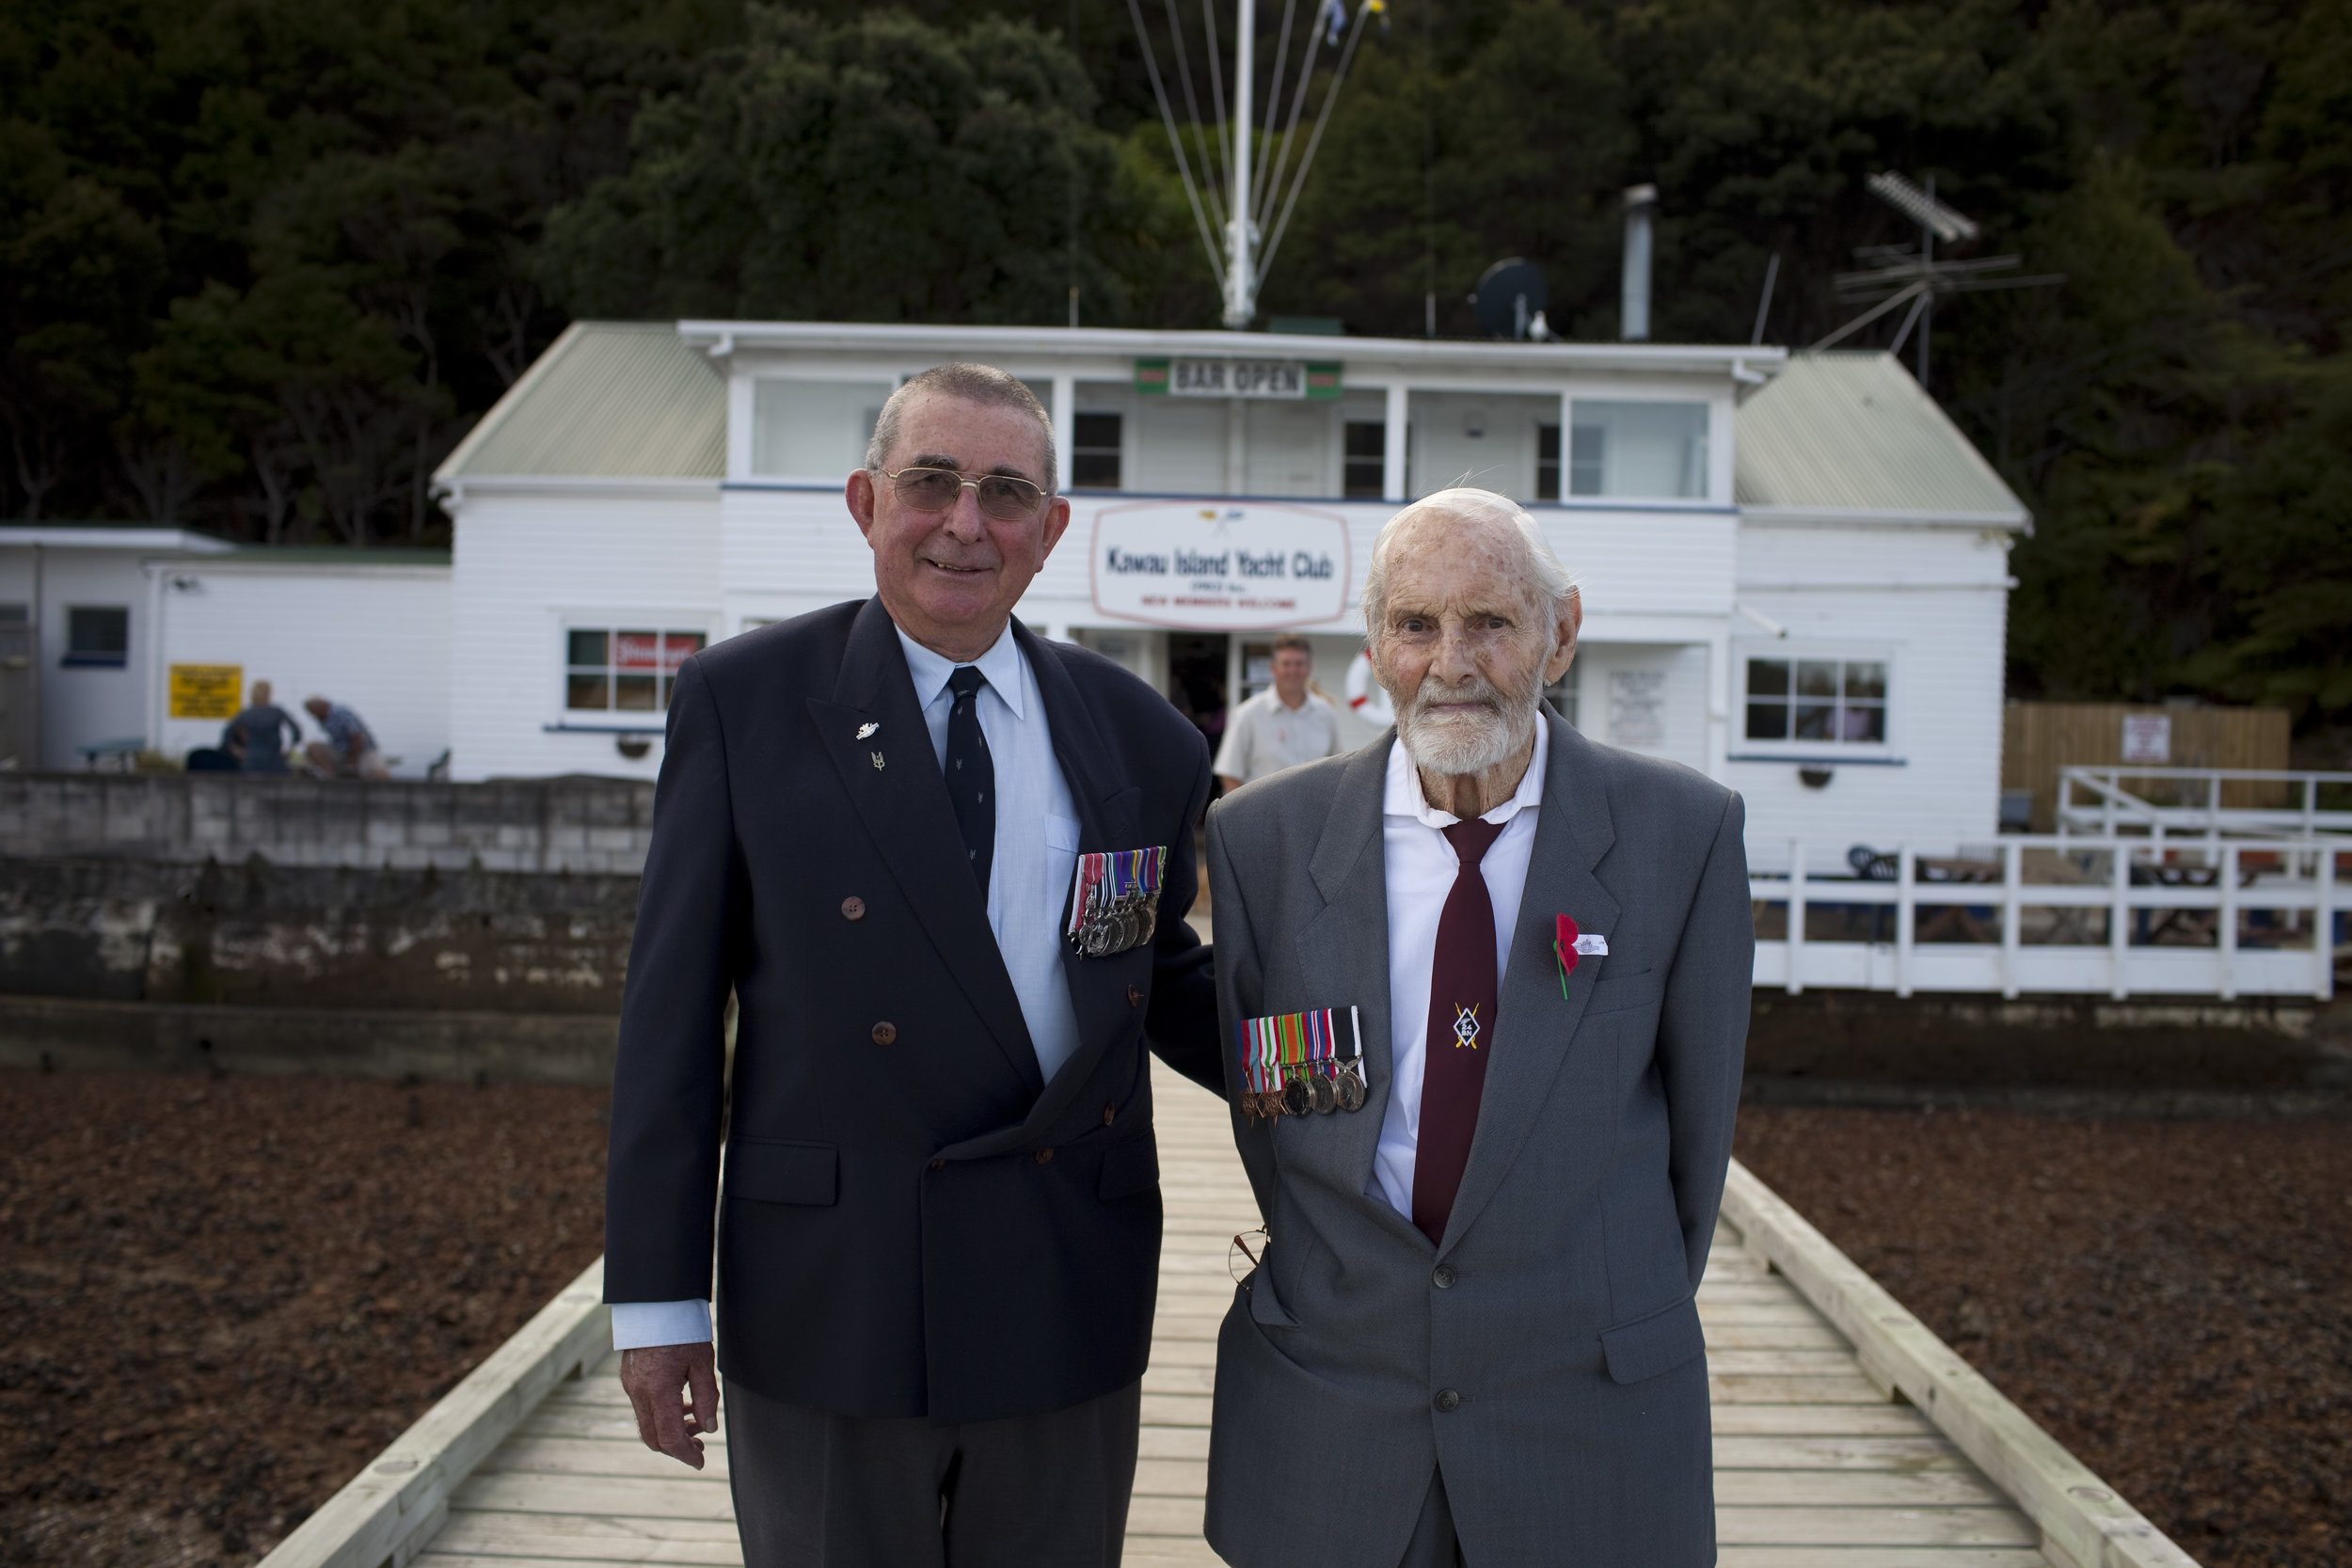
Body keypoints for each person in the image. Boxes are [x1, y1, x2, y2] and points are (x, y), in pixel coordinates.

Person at [604, 363, 1225, 1568]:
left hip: (1063, 1285)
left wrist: (1360, 1063)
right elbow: (669, 1023)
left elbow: (1159, 975)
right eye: (931, 482)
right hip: (834, 1292)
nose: (964, 522)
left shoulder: (1143, 737)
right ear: (864, 502)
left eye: (1004, 493)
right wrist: (660, 1305)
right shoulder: (746, 701)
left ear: (1048, 532)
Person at [1200, 488, 1752, 1568]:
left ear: (1561, 633)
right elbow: (1274, 1129)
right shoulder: (1260, 839)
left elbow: (1698, 1144)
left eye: (1490, 621)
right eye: (1415, 624)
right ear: (1372, 644)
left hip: (1584, 1414)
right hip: (1334, 1408)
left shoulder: (1680, 834)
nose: (1450, 659)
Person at [1213, 633, 1343, 794]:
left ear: (1309, 667)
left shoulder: (1326, 714)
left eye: (1299, 663)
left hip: (1314, 816)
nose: (1293, 670)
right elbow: (1230, 774)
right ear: (1273, 668)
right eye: (1286, 664)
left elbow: (1337, 770)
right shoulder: (1247, 714)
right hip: (1263, 816)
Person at [301, 695, 389, 779]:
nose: (313, 715)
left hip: (363, 750)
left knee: (379, 775)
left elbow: (357, 737)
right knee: (313, 747)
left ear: (321, 707)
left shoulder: (340, 712)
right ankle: (331, 777)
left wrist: (352, 760)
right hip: (342, 751)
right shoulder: (323, 719)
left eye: (313, 712)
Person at [221, 680, 298, 772]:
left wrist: (236, 750)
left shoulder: (247, 713)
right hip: (274, 758)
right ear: (268, 694)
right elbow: (296, 731)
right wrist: (290, 748)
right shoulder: (276, 712)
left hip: (252, 758)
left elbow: (227, 733)